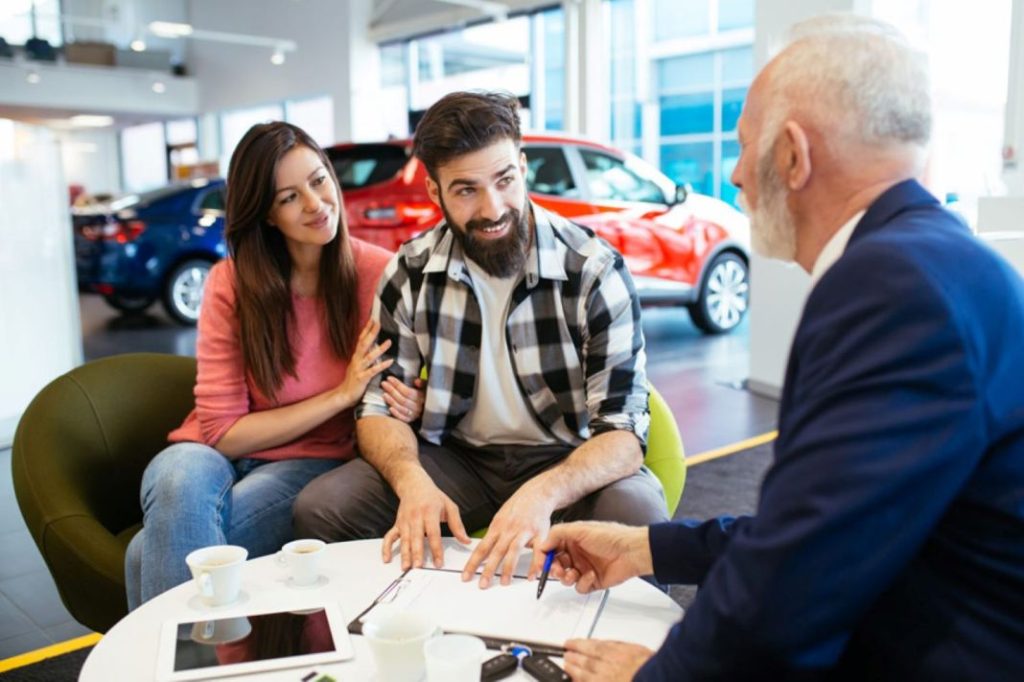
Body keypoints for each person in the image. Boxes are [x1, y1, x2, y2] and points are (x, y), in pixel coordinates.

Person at [529, 15, 1024, 681]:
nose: (734, 174)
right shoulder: (933, 259)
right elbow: (834, 519)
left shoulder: (887, 287)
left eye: (741, 146)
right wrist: (644, 546)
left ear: (792, 154)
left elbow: (803, 573)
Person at [294, 91, 669, 586]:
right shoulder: (410, 271)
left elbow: (622, 434)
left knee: (637, 512)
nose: (493, 208)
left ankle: (629, 662)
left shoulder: (595, 270)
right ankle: (387, 638)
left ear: (523, 166)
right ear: (435, 192)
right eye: (466, 190)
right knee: (322, 508)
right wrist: (412, 482)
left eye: (505, 180)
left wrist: (542, 493)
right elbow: (377, 409)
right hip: (458, 456)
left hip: (564, 455)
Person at [124, 122, 424, 609]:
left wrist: (417, 398)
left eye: (319, 180)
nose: (315, 203)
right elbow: (221, 431)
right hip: (215, 451)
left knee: (143, 553)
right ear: (265, 214)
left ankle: (188, 662)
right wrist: (340, 394)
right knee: (178, 475)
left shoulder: (380, 274)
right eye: (288, 197)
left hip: (312, 461)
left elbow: (422, 377)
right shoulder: (232, 283)